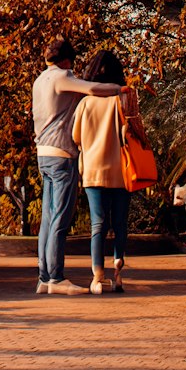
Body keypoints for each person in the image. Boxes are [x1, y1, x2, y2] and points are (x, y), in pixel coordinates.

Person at [32, 36, 123, 295]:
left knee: (47, 219)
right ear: (66, 60)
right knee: (60, 217)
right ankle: (57, 278)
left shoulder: (40, 80)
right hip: (61, 154)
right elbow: (93, 89)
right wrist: (118, 89)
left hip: (43, 154)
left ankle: (44, 278)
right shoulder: (61, 77)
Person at [71, 49, 141, 294]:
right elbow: (136, 131)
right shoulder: (125, 98)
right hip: (122, 171)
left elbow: (75, 136)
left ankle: (97, 276)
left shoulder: (85, 103)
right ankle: (118, 270)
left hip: (94, 172)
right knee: (120, 223)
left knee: (98, 225)